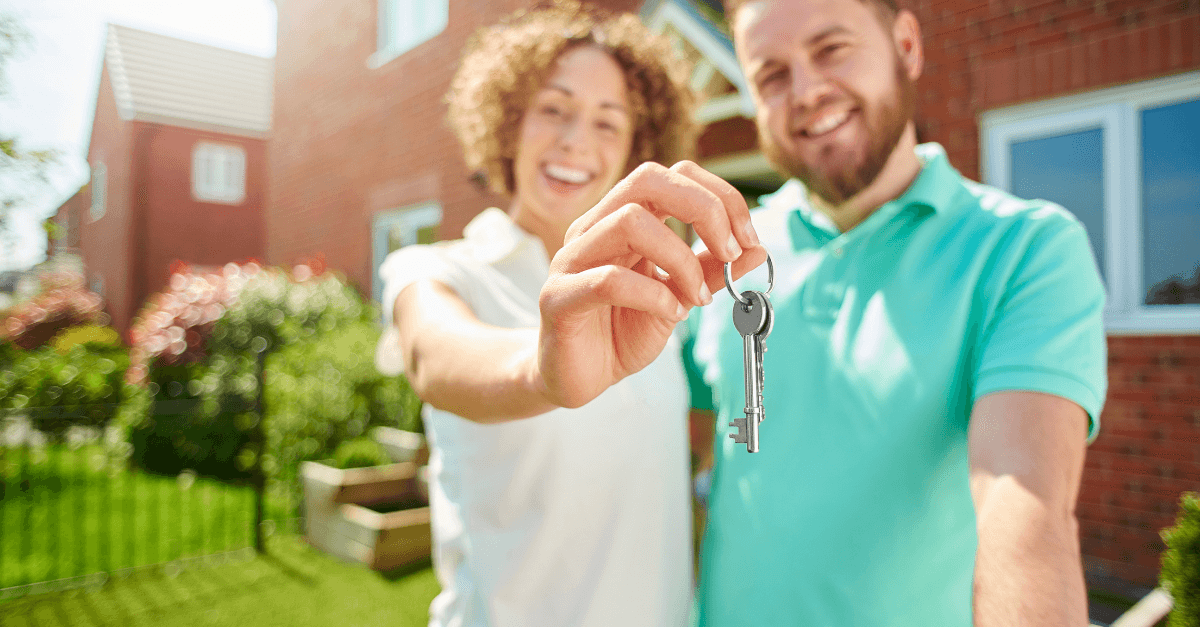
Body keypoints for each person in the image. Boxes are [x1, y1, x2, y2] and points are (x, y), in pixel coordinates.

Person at [534, 0, 1108, 625]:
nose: (805, 91)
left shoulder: (1024, 250)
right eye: (771, 74)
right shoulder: (719, 255)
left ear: (907, 47)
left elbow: (1024, 513)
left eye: (831, 49)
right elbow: (641, 439)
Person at [373, 3, 698, 626]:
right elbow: (435, 356)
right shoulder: (436, 270)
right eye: (554, 109)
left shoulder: (654, 290)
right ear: (508, 123)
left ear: (637, 146)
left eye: (608, 122)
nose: (577, 139)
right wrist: (543, 370)